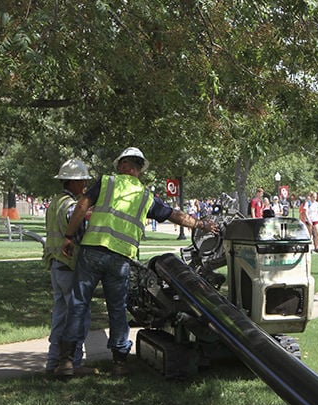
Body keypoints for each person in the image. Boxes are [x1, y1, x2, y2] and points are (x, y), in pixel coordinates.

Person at [55, 147, 218, 377]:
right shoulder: (145, 196)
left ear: (121, 166)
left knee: (79, 304)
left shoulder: (107, 182)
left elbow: (82, 206)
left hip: (92, 251)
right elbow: (173, 214)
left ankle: (66, 362)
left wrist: (69, 236)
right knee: (117, 310)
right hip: (120, 259)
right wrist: (201, 225)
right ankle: (120, 363)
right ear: (139, 170)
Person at [43, 159, 95, 376]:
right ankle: (72, 363)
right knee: (77, 318)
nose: (85, 184)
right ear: (72, 182)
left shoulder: (56, 202)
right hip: (70, 266)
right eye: (82, 180)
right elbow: (80, 232)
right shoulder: (72, 206)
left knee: (60, 317)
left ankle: (53, 362)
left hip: (56, 265)